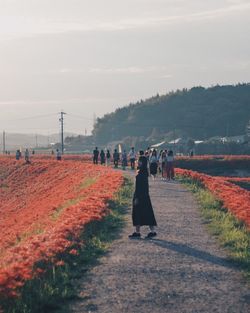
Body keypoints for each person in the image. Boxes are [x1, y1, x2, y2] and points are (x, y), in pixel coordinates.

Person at [129, 151, 157, 239]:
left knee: (137, 213)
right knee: (147, 213)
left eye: (139, 161)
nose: (137, 161)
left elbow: (139, 187)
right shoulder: (143, 171)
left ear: (143, 162)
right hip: (144, 196)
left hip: (140, 196)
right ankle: (150, 231)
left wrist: (137, 197)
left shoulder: (141, 173)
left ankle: (138, 232)